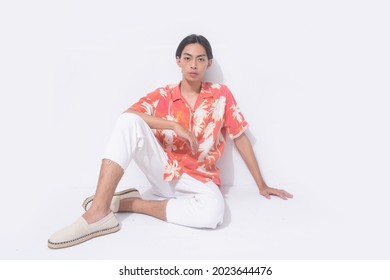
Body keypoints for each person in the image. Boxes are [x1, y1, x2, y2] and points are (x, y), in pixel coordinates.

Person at [48, 34, 293, 249]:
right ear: (178, 61)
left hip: (200, 179)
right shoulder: (164, 95)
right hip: (164, 171)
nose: (193, 65)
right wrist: (173, 125)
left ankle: (128, 203)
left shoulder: (221, 95)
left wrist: (261, 184)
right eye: (187, 58)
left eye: (200, 59)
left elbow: (240, 138)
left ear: (209, 63)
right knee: (128, 122)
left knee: (212, 216)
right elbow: (129, 116)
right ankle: (98, 212)